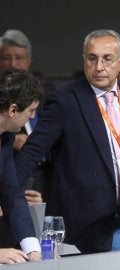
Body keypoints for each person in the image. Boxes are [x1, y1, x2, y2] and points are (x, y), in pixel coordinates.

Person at [15, 29, 120, 253]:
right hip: (94, 220)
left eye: (107, 59)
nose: (99, 66)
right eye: (92, 58)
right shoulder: (64, 102)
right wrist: (7, 194)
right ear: (84, 60)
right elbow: (31, 152)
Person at [0, 29, 55, 203]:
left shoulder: (46, 90)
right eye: (6, 58)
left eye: (19, 57)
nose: (13, 64)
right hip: (14, 169)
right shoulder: (7, 136)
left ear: (29, 60)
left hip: (45, 174)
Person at [0, 70, 42, 263]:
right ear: (13, 109)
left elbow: (12, 194)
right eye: (31, 111)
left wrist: (32, 248)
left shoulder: (6, 136)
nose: (32, 117)